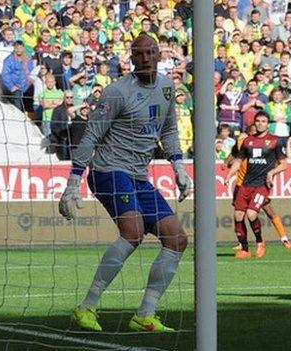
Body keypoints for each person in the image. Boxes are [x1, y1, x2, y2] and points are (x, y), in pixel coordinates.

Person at [59, 34, 192, 332]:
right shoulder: (117, 92)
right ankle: (86, 308)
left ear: (160, 55)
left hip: (138, 176)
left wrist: (179, 167)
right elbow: (90, 135)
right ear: (131, 58)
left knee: (177, 239)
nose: (145, 58)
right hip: (108, 170)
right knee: (132, 232)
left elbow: (168, 130)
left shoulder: (168, 89)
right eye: (139, 54)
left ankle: (145, 314)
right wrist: (73, 183)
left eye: (150, 53)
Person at [223, 111, 288, 258]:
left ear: (268, 124)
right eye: (258, 121)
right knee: (238, 215)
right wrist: (229, 175)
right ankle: (245, 249)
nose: (260, 124)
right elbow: (239, 161)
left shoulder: (275, 141)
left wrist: (271, 173)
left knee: (251, 214)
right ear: (254, 122)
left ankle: (260, 241)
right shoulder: (248, 141)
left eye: (263, 121)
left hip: (262, 185)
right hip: (246, 183)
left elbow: (284, 164)